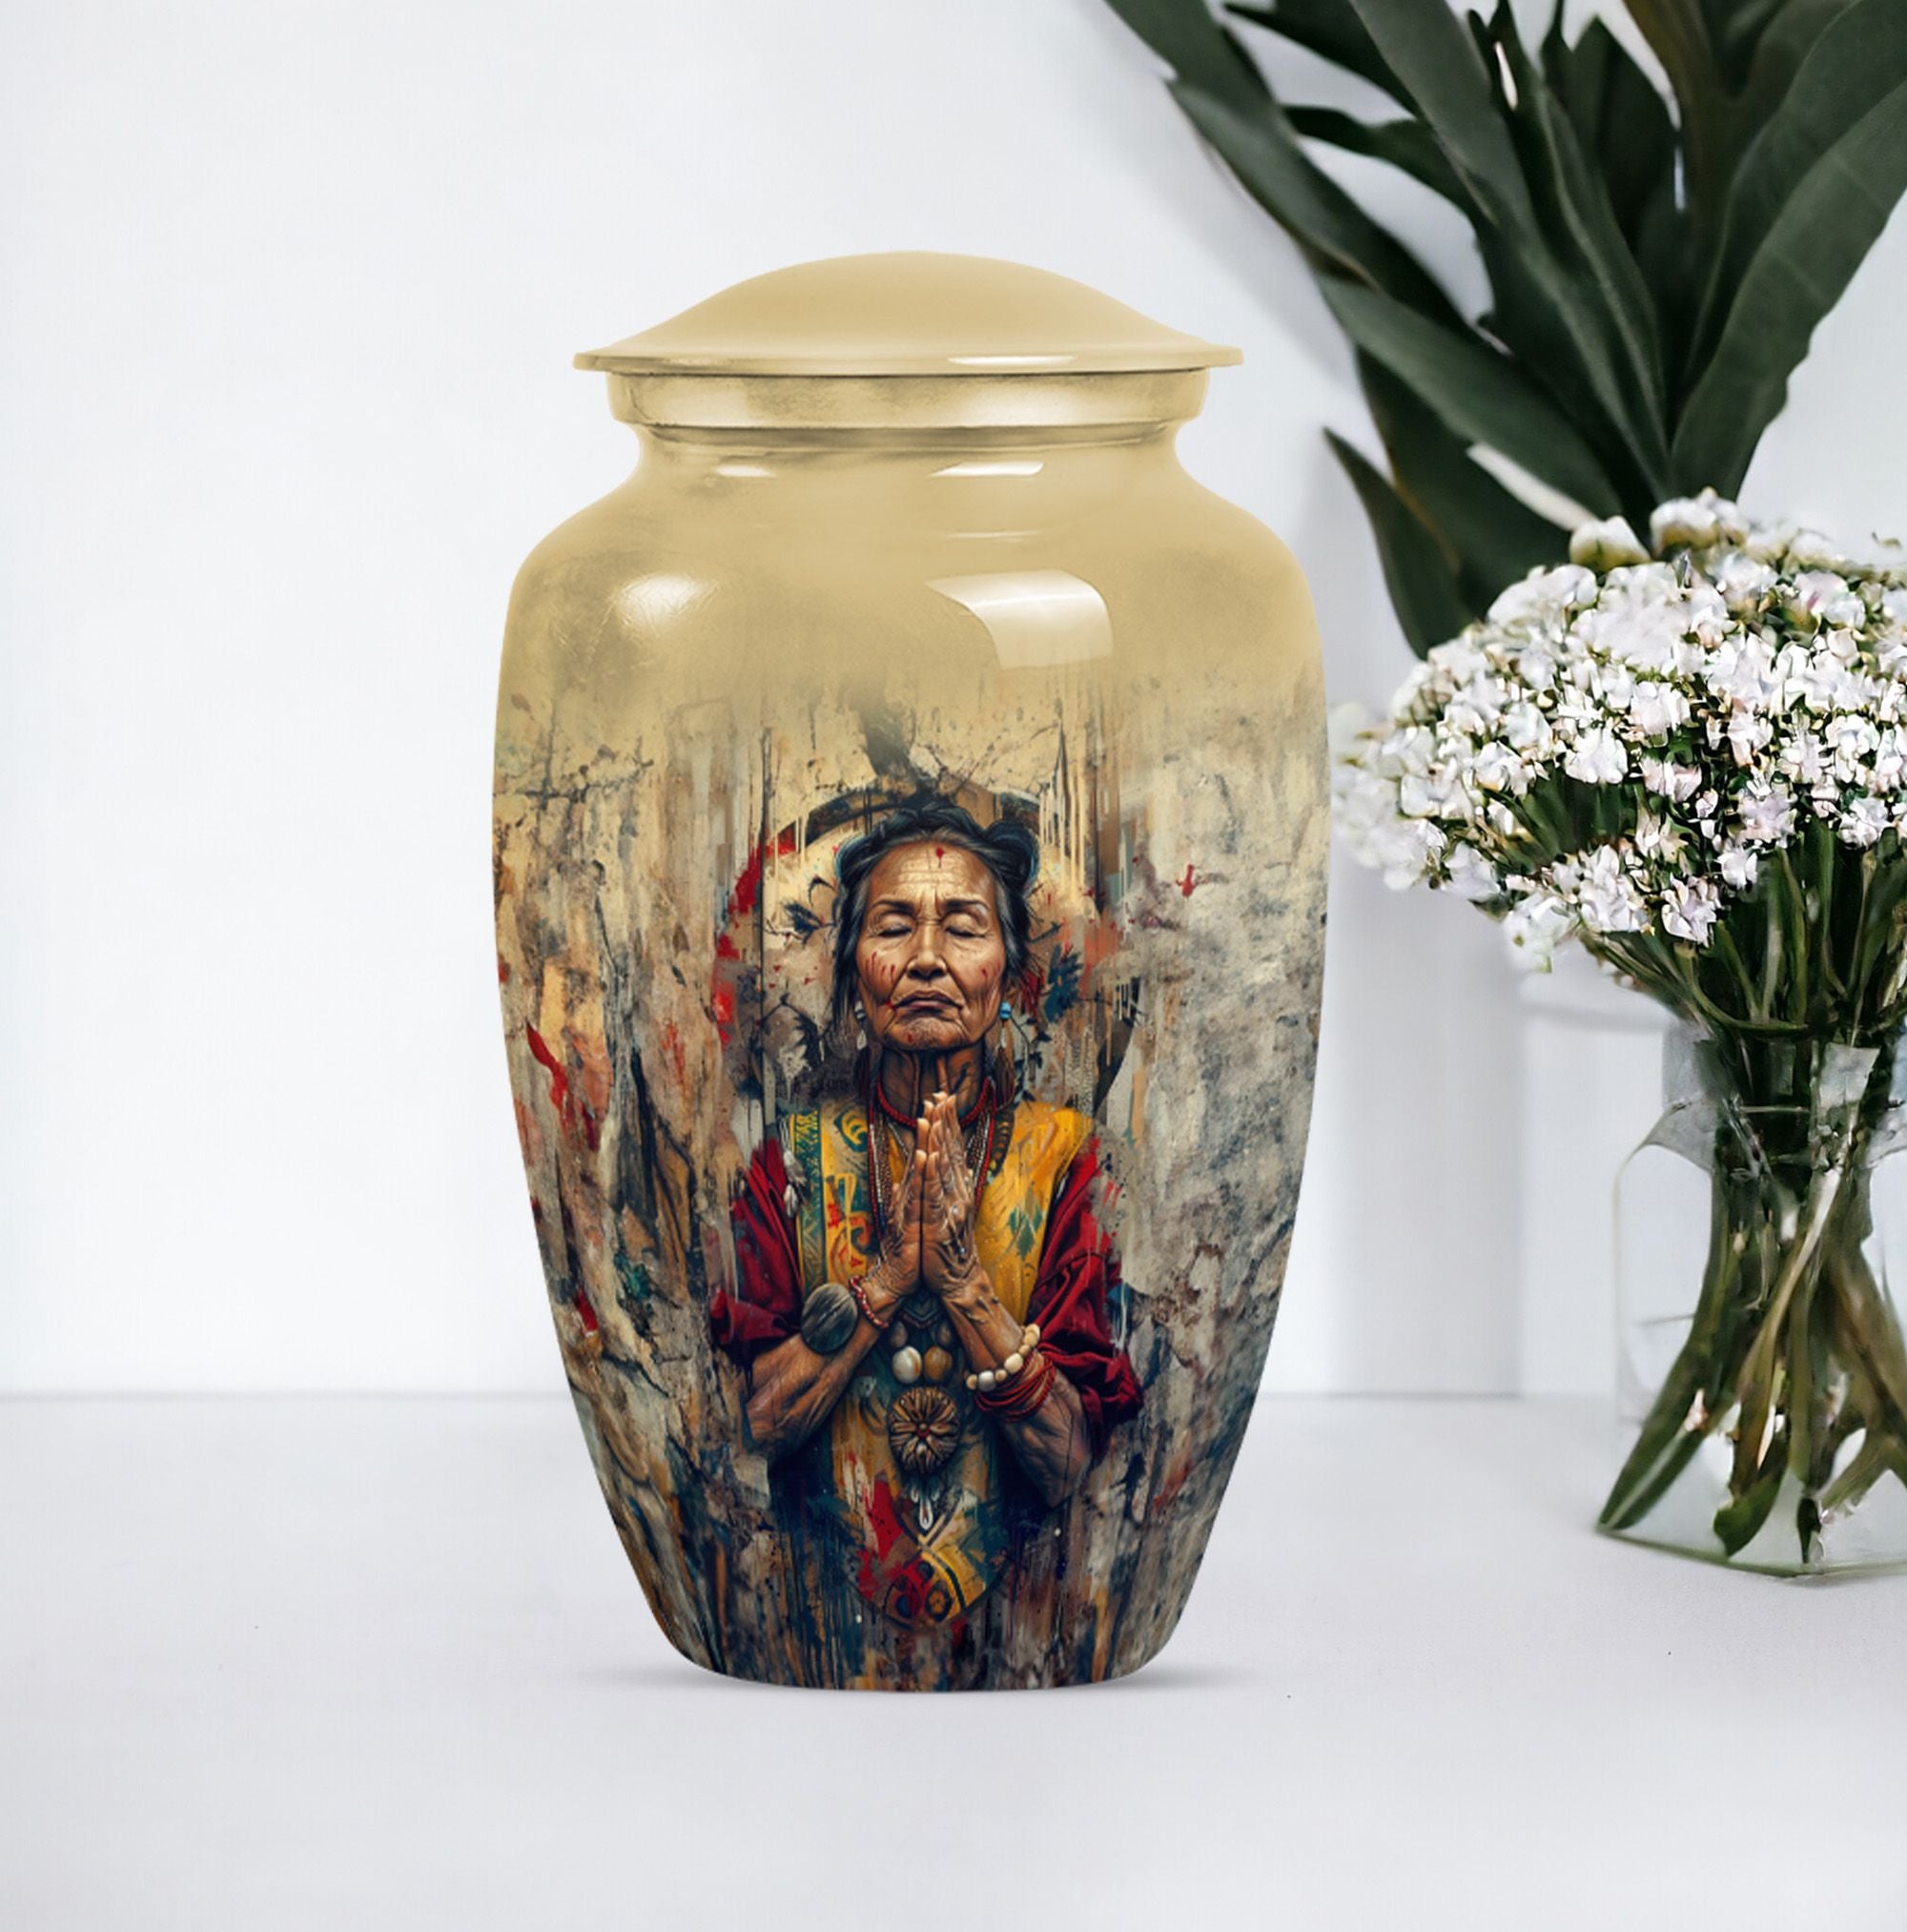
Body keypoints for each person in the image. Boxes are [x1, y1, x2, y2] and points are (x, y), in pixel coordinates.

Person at [708, 795, 1142, 1634]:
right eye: (894, 927)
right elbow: (759, 1423)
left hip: (1026, 1618)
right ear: (853, 974)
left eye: (965, 928)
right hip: (815, 1611)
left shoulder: (1067, 1162)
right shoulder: (792, 1159)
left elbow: (1067, 1463)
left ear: (1009, 978)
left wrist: (964, 1284)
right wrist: (886, 1280)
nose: (928, 960)